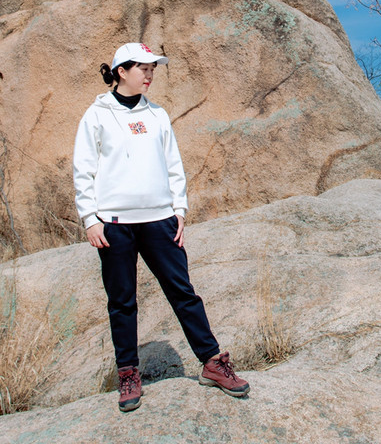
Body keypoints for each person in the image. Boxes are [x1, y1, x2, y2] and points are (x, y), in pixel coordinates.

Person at [73, 42, 250, 412]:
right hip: (115, 225)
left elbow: (174, 165)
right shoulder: (97, 115)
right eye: (143, 68)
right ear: (122, 71)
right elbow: (83, 169)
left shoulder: (158, 115)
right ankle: (128, 374)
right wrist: (90, 218)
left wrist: (179, 211)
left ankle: (212, 362)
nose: (150, 75)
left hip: (160, 221)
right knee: (122, 302)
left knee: (183, 292)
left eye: (154, 69)